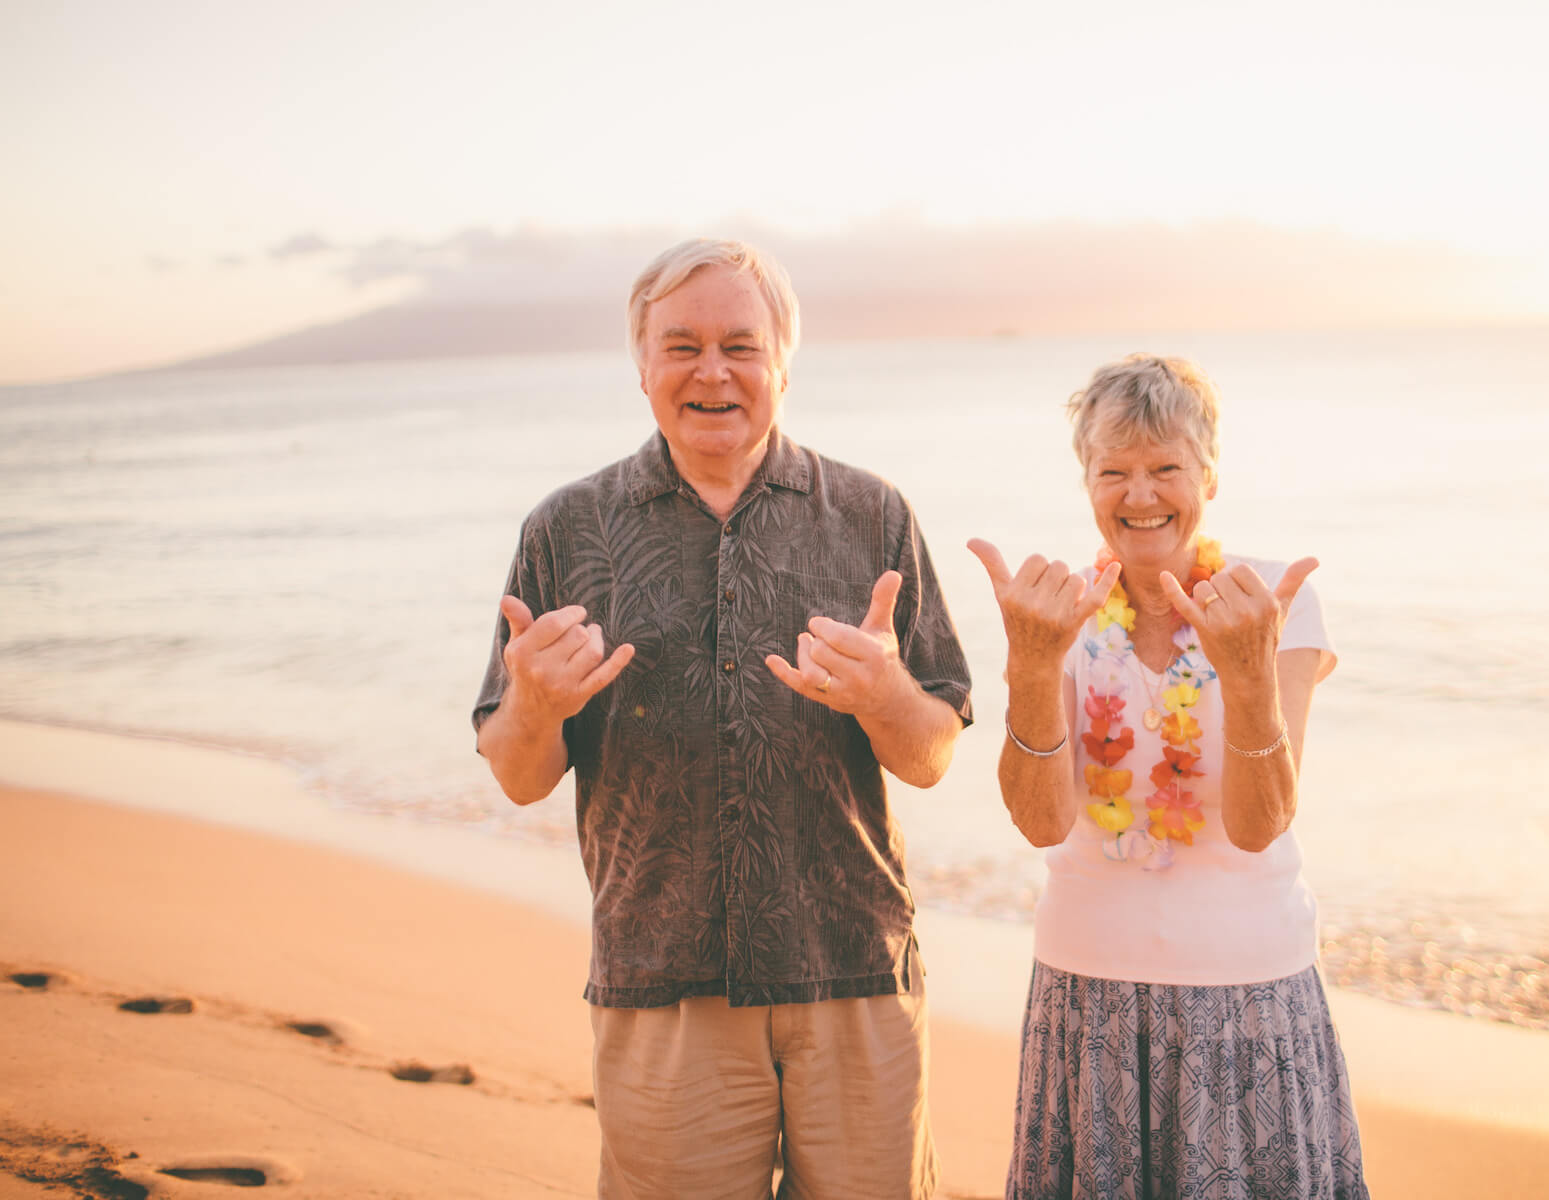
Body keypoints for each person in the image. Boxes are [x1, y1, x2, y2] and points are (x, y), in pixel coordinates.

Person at [472, 237, 973, 1200]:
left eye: (740, 345)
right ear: (643, 362)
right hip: (661, 973)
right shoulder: (565, 531)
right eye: (682, 345)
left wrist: (883, 696)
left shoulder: (873, 518)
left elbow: (930, 756)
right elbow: (519, 774)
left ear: (783, 359)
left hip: (853, 966)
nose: (712, 372)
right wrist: (535, 705)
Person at [968, 354, 1368, 1199]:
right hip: (1087, 995)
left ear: (1209, 477)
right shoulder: (1064, 609)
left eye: (1165, 469)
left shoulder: (1267, 603)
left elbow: (1263, 825)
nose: (1140, 495)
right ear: (1087, 483)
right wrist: (1033, 667)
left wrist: (1250, 672)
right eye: (1113, 471)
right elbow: (1042, 822)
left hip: (1246, 994)